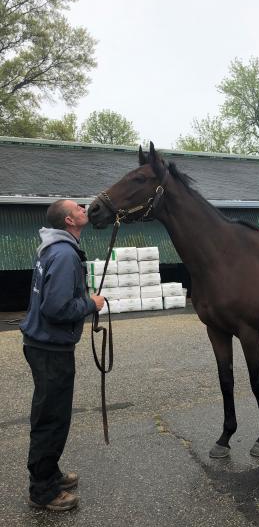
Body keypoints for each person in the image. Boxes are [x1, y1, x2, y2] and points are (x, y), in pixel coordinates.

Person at [20, 199, 105, 511]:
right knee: (52, 420)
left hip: (42, 345)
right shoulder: (66, 254)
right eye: (78, 208)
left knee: (51, 415)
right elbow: (55, 308)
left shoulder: (53, 249)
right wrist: (90, 304)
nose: (85, 208)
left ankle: (50, 474)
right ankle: (42, 491)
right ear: (69, 221)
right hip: (50, 348)